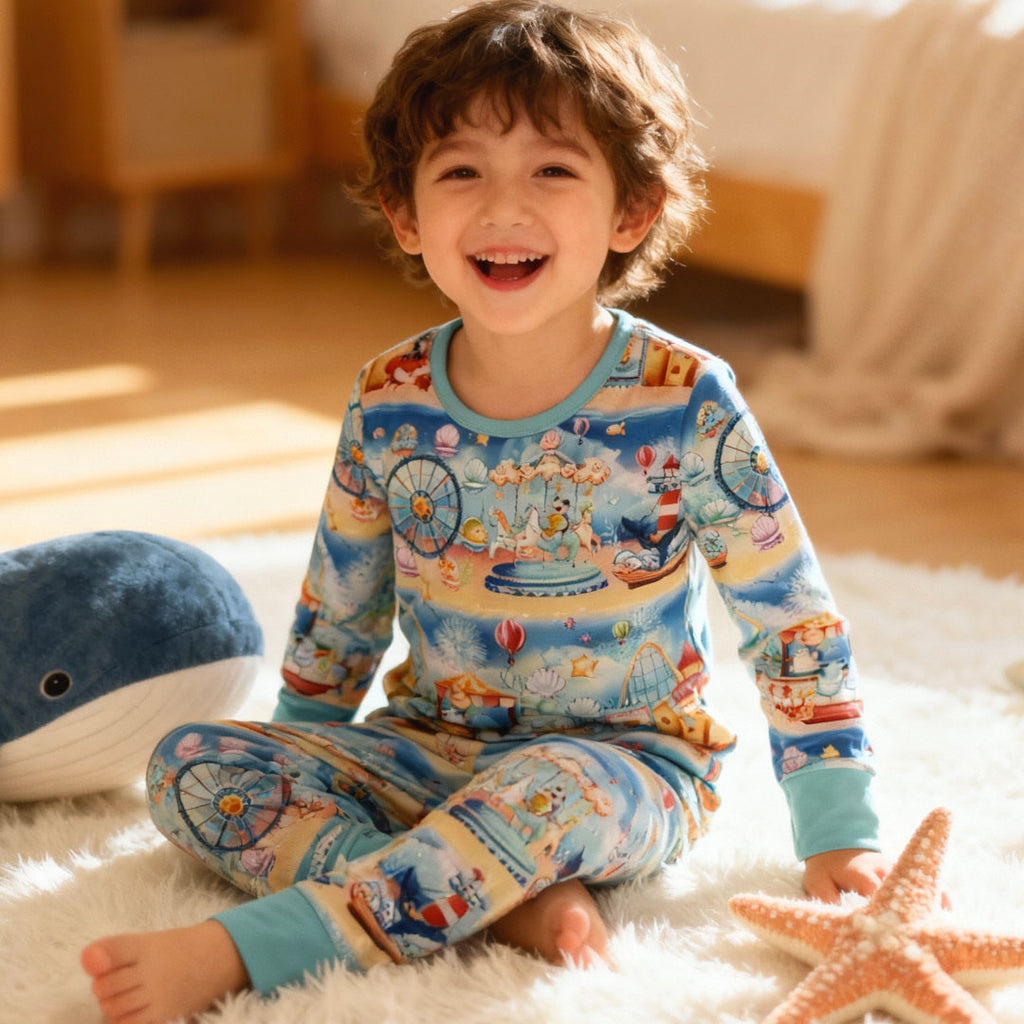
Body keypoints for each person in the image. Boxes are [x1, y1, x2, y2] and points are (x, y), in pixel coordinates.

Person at [82, 2, 890, 1020]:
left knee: (545, 785)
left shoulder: (685, 397)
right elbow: (340, 616)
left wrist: (836, 832)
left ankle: (284, 939)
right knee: (193, 765)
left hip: (621, 769)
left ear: (630, 212)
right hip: (429, 748)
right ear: (406, 215)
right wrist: (312, 758)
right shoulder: (390, 397)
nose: (504, 205)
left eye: (553, 171)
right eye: (461, 171)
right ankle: (489, 896)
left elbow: (792, 620)